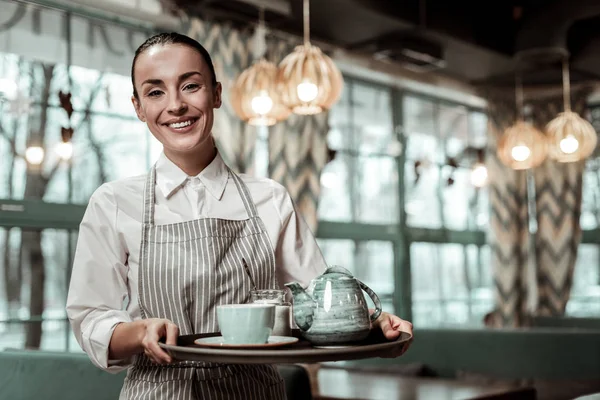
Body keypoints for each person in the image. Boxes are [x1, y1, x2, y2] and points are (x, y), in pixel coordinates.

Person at [66, 32, 413, 400]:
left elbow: (318, 307)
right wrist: (140, 332)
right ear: (138, 107)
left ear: (216, 93)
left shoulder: (270, 198)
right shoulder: (114, 202)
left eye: (190, 86)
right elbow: (91, 317)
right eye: (155, 92)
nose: (176, 105)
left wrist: (378, 328)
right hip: (158, 391)